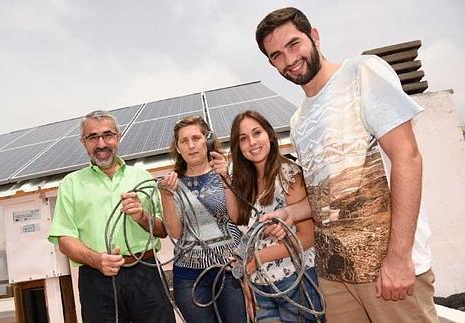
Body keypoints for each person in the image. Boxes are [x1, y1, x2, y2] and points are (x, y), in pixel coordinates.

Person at [255, 7, 437, 323]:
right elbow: (326, 196)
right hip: (334, 277)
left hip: (385, 271)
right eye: (277, 55)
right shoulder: (298, 121)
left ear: (314, 36)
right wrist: (291, 213)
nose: (289, 59)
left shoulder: (362, 72)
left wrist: (398, 258)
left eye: (294, 44)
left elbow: (407, 158)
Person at [47, 110, 175, 323]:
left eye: (107, 135)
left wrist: (142, 216)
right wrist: (96, 260)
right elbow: (65, 240)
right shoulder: (71, 184)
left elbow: (163, 230)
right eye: (92, 137)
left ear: (118, 137)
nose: (101, 144)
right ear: (83, 142)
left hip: (145, 271)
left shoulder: (141, 177)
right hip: (96, 279)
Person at [224, 110, 322, 323]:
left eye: (256, 133)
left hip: (294, 281)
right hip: (261, 286)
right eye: (243, 139)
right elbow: (237, 219)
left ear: (269, 134)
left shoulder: (288, 173)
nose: (252, 142)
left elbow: (306, 237)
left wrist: (255, 261)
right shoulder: (248, 182)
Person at [158, 115, 247, 323]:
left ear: (207, 140)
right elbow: (176, 233)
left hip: (230, 268)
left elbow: (237, 217)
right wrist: (166, 196)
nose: (191, 145)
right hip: (189, 275)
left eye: (196, 138)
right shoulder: (172, 184)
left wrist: (226, 178)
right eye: (184, 141)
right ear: (178, 148)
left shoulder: (229, 172)